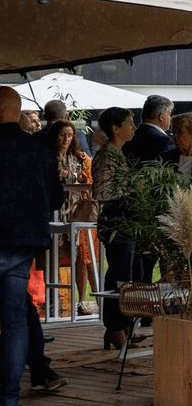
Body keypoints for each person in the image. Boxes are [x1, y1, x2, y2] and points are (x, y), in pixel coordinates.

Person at [0, 86, 62, 405]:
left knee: (14, 321)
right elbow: (56, 199)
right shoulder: (39, 150)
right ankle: (8, 397)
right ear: (15, 112)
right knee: (13, 321)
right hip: (22, 242)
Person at [92, 106, 138, 350]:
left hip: (124, 223)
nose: (133, 127)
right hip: (116, 224)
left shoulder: (118, 154)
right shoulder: (107, 156)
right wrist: (132, 192)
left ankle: (121, 325)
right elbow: (101, 192)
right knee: (119, 276)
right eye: (129, 123)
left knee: (123, 275)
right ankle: (115, 326)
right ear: (116, 129)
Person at [46, 120, 97, 315]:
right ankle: (54, 300)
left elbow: (86, 180)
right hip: (54, 211)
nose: (66, 139)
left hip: (76, 210)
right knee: (54, 256)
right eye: (62, 135)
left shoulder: (79, 158)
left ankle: (82, 300)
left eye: (69, 135)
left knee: (81, 256)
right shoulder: (48, 157)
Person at [123, 94, 174, 166]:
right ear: (161, 117)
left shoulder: (131, 136)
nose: (170, 118)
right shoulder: (163, 140)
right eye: (170, 114)